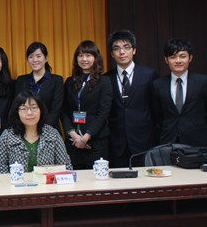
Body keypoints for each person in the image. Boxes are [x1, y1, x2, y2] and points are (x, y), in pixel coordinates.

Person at [105, 30, 157, 167]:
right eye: (117, 48)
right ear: (112, 54)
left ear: (134, 50)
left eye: (126, 47)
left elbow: (155, 109)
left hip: (143, 140)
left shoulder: (149, 74)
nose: (122, 52)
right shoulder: (106, 78)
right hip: (116, 142)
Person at [0, 91, 72, 174]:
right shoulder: (8, 136)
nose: (29, 113)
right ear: (17, 112)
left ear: (41, 110)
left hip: (47, 185)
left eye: (34, 108)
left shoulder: (52, 134)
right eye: (24, 109)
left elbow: (65, 166)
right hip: (16, 185)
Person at [62, 41, 112, 170]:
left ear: (95, 58)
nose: (84, 59)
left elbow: (103, 113)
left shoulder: (104, 81)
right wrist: (73, 134)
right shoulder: (69, 81)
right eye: (80, 55)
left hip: (96, 142)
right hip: (73, 142)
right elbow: (64, 111)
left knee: (97, 183)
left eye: (88, 55)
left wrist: (86, 137)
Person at [153, 38, 207, 147]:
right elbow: (157, 116)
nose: (178, 61)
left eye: (182, 56)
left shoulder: (203, 81)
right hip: (168, 141)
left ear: (190, 58)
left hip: (197, 142)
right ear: (166, 60)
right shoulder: (158, 85)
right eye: (173, 57)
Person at [14, 42, 64, 132]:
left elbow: (56, 110)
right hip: (25, 131)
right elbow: (17, 107)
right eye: (31, 57)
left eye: (38, 56)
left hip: (49, 131)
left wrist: (41, 130)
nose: (34, 60)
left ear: (46, 58)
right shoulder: (21, 80)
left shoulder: (57, 80)